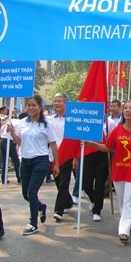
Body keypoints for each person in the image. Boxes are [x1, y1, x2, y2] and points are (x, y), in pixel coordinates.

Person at [87, 100, 131, 242]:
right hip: (118, 171)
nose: (127, 111)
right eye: (126, 108)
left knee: (129, 200)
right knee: (122, 201)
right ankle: (128, 223)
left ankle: (123, 231)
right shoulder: (117, 129)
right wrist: (91, 143)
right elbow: (107, 147)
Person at [8, 95, 59, 235]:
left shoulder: (46, 124)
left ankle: (33, 223)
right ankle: (41, 207)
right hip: (25, 161)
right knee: (26, 195)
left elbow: (53, 145)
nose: (31, 108)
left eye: (34, 105)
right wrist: (12, 132)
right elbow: (20, 143)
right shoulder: (22, 122)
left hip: (40, 161)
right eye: (29, 105)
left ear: (40, 107)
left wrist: (56, 164)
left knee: (32, 193)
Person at [49, 93, 77, 222]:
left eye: (59, 101)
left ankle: (58, 210)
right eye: (55, 101)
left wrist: (75, 157)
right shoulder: (50, 120)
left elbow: (76, 139)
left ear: (65, 104)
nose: (56, 103)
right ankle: (68, 201)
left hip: (67, 155)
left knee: (63, 183)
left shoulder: (71, 119)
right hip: (53, 155)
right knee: (57, 181)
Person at [82, 117, 116, 222]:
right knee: (86, 184)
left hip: (102, 155)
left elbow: (112, 140)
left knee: (99, 184)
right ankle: (93, 200)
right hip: (88, 154)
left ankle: (97, 210)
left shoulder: (108, 121)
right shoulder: (85, 120)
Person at [0, 106, 21, 184]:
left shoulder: (10, 120)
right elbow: (18, 136)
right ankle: (19, 177)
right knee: (16, 160)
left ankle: (4, 178)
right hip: (9, 140)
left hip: (3, 139)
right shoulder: (19, 123)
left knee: (5, 160)